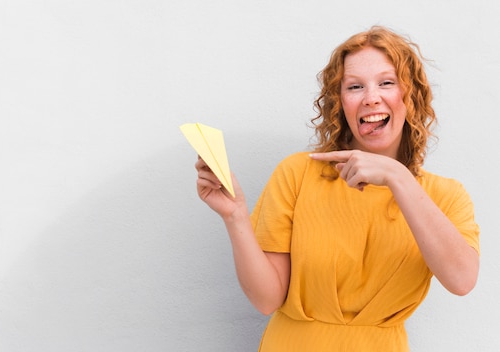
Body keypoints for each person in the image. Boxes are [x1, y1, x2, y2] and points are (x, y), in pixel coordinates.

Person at [193, 26, 480, 351]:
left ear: (410, 95)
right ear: (340, 102)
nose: (371, 97)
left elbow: (462, 280)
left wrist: (398, 178)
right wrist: (235, 217)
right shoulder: (298, 173)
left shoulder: (446, 196)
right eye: (355, 86)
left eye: (386, 82)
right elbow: (266, 299)